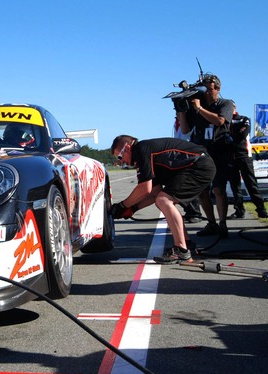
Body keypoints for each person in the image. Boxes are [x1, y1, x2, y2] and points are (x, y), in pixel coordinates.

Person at [110, 135, 215, 264]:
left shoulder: (141, 149)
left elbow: (144, 188)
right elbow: (153, 193)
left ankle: (182, 252)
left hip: (198, 165)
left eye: (120, 157)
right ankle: (186, 244)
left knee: (164, 201)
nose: (121, 162)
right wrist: (133, 208)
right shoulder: (145, 153)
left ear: (127, 147)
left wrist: (122, 206)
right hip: (197, 165)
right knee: (162, 199)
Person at [175, 74, 234, 238]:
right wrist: (182, 111)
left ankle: (222, 224)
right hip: (201, 152)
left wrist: (200, 109)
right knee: (202, 191)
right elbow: (186, 130)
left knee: (218, 189)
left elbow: (220, 121)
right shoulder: (195, 106)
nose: (206, 93)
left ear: (217, 89)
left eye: (209, 90)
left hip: (219, 151)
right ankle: (211, 223)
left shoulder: (225, 104)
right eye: (204, 90)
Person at [227, 103, 268, 219]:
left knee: (251, 184)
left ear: (235, 108)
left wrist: (230, 136)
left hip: (244, 156)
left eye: (231, 107)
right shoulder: (223, 121)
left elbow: (243, 133)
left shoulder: (243, 119)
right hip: (231, 157)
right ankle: (239, 210)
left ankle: (261, 209)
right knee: (235, 186)